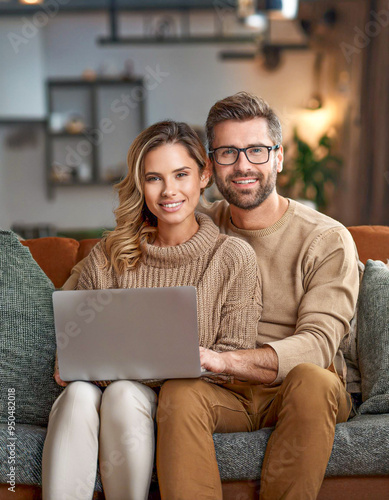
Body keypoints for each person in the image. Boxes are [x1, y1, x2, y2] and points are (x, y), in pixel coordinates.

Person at [41, 120, 262, 500]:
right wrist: (71, 362)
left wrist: (118, 374)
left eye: (181, 174)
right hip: (102, 393)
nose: (169, 191)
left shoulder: (232, 257)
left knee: (124, 394)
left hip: (182, 399)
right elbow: (76, 342)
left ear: (204, 175)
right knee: (78, 396)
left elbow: (230, 363)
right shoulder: (110, 255)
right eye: (154, 178)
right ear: (140, 185)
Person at [155, 93, 360, 500]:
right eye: (229, 153)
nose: (244, 165)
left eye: (257, 151)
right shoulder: (197, 224)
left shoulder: (326, 238)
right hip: (224, 390)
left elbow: (319, 346)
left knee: (313, 379)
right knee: (179, 390)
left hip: (299, 389)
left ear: (278, 158)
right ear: (210, 166)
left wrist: (224, 359)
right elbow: (122, 256)